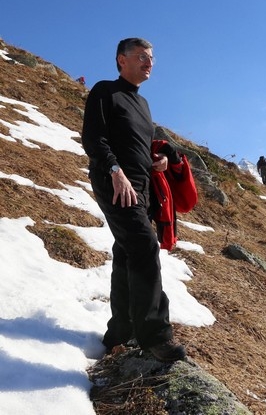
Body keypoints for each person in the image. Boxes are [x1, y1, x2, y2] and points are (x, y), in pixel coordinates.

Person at [81, 37, 186, 362]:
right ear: (121, 59)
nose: (149, 62)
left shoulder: (142, 105)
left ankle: (120, 333)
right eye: (141, 56)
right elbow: (93, 138)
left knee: (127, 254)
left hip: (141, 189)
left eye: (151, 57)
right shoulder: (104, 91)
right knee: (143, 246)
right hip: (116, 183)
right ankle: (155, 336)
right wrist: (115, 170)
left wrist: (162, 161)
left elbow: (139, 144)